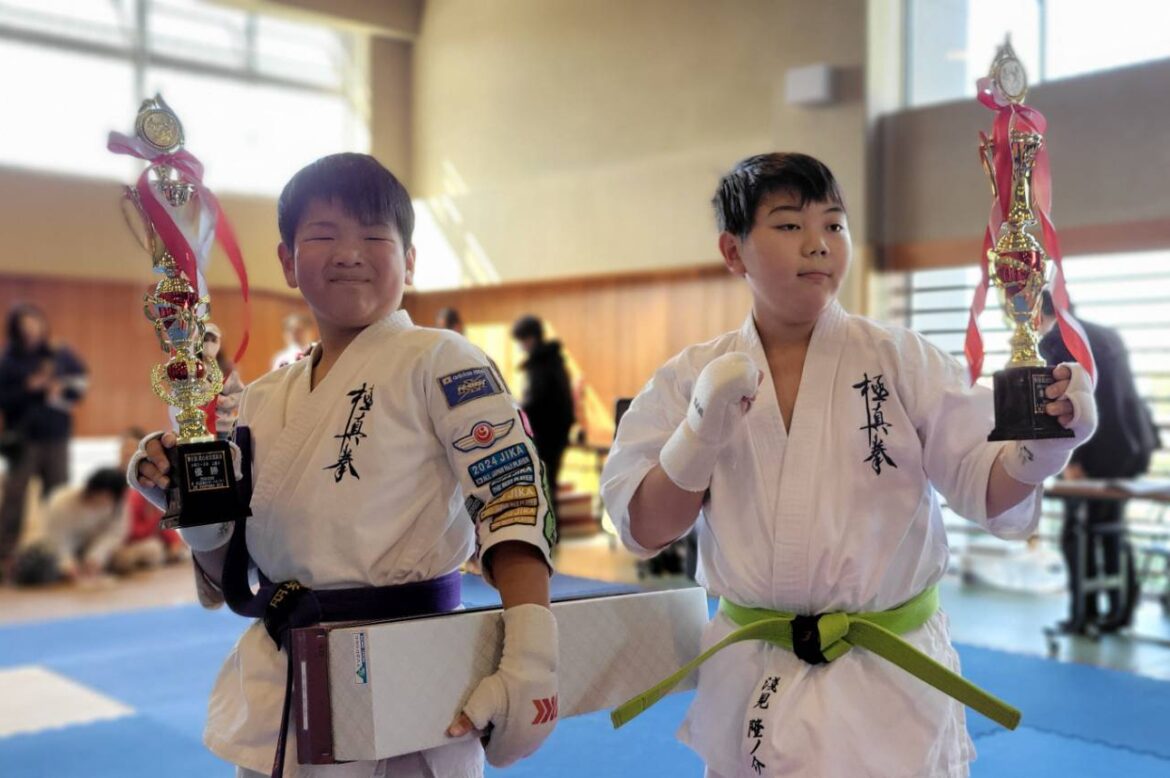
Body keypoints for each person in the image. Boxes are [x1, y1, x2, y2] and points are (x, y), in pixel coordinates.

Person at [600, 153, 1097, 778]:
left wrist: (1040, 452)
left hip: (887, 684)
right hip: (756, 673)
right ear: (733, 250)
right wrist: (697, 435)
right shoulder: (689, 378)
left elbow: (982, 485)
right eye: (789, 225)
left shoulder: (901, 359)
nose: (818, 244)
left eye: (834, 225)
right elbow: (645, 527)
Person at [129, 153, 558, 778]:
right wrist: (196, 516)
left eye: (374, 236)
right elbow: (235, 570)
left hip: (412, 676)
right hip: (286, 673)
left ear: (410, 260)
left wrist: (532, 654)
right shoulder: (262, 399)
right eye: (323, 235)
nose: (349, 254)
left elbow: (510, 496)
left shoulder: (442, 359)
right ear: (287, 261)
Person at [1039, 291, 1160, 632]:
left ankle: (1086, 613)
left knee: (1076, 532)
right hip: (1134, 445)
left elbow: (1069, 405)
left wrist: (1073, 458)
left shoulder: (1059, 339)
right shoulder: (1105, 334)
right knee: (1109, 527)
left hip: (1096, 449)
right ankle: (1121, 608)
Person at [0, 303, 87, 578]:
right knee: (14, 498)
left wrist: (61, 389)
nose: (31, 330)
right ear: (16, 329)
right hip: (24, 439)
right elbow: (4, 399)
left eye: (35, 323)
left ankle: (58, 554)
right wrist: (28, 388)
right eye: (25, 325)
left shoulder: (59, 354)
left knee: (58, 496)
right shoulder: (9, 361)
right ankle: (5, 555)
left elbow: (81, 385)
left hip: (56, 435)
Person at [12, 467, 127, 584]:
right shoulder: (62, 501)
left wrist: (96, 558)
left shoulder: (117, 507)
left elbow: (113, 534)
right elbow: (56, 538)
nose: (103, 501)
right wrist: (67, 564)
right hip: (54, 551)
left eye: (108, 498)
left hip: (87, 555)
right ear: (91, 490)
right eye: (101, 495)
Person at [511, 315, 575, 507]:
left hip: (546, 434)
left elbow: (536, 401)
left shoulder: (540, 364)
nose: (520, 346)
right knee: (548, 485)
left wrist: (515, 410)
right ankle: (550, 525)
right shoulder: (554, 360)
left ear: (530, 338)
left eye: (521, 340)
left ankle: (548, 526)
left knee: (544, 487)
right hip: (557, 433)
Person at [110, 427, 184, 576]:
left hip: (141, 544)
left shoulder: (149, 486)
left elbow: (161, 516)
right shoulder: (109, 485)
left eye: (130, 452)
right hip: (115, 544)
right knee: (153, 549)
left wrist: (174, 543)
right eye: (124, 451)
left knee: (160, 549)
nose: (126, 455)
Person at [202, 322, 246, 441]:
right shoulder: (193, 368)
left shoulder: (228, 369)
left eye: (213, 340)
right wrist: (209, 398)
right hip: (201, 426)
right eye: (205, 340)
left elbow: (241, 394)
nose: (209, 344)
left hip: (225, 426)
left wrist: (224, 401)